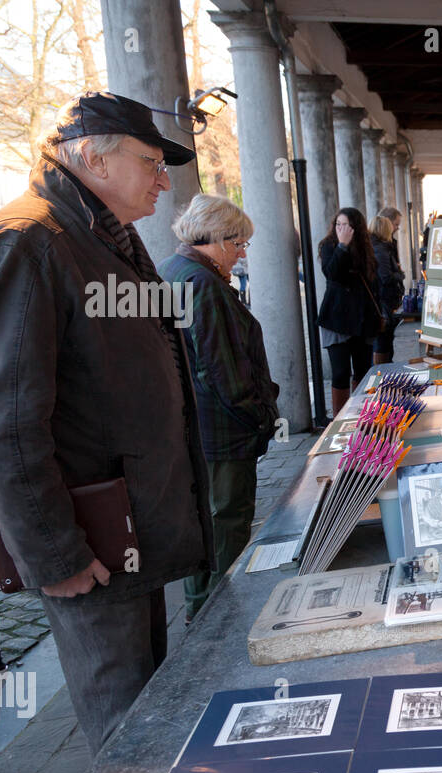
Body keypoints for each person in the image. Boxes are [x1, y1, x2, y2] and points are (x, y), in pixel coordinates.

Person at [0, 92, 213, 754]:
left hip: (127, 527)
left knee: (150, 710)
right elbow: (3, 422)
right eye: (153, 162)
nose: (164, 180)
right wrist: (54, 555)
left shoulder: (97, 234)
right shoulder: (26, 241)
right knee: (128, 737)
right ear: (93, 155)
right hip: (91, 542)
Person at [158, 193, 280, 622]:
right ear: (219, 239)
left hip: (197, 426)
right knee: (226, 522)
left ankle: (201, 611)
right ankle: (216, 622)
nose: (243, 253)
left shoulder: (174, 269)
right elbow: (221, 372)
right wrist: (262, 417)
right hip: (221, 430)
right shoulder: (203, 283)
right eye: (240, 244)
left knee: (208, 523)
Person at [317, 206, 381, 415]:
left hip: (362, 318)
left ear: (356, 228)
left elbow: (372, 281)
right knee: (340, 372)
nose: (341, 229)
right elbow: (332, 273)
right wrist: (342, 247)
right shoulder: (329, 245)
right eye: (338, 224)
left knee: (363, 370)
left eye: (346, 225)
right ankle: (340, 419)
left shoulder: (365, 246)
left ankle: (361, 414)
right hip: (337, 318)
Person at [371, 209, 406, 365]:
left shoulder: (383, 247)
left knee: (385, 342)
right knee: (383, 343)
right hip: (384, 300)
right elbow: (386, 277)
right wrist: (400, 274)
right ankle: (381, 374)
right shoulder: (380, 249)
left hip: (386, 299)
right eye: (396, 224)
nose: (397, 228)